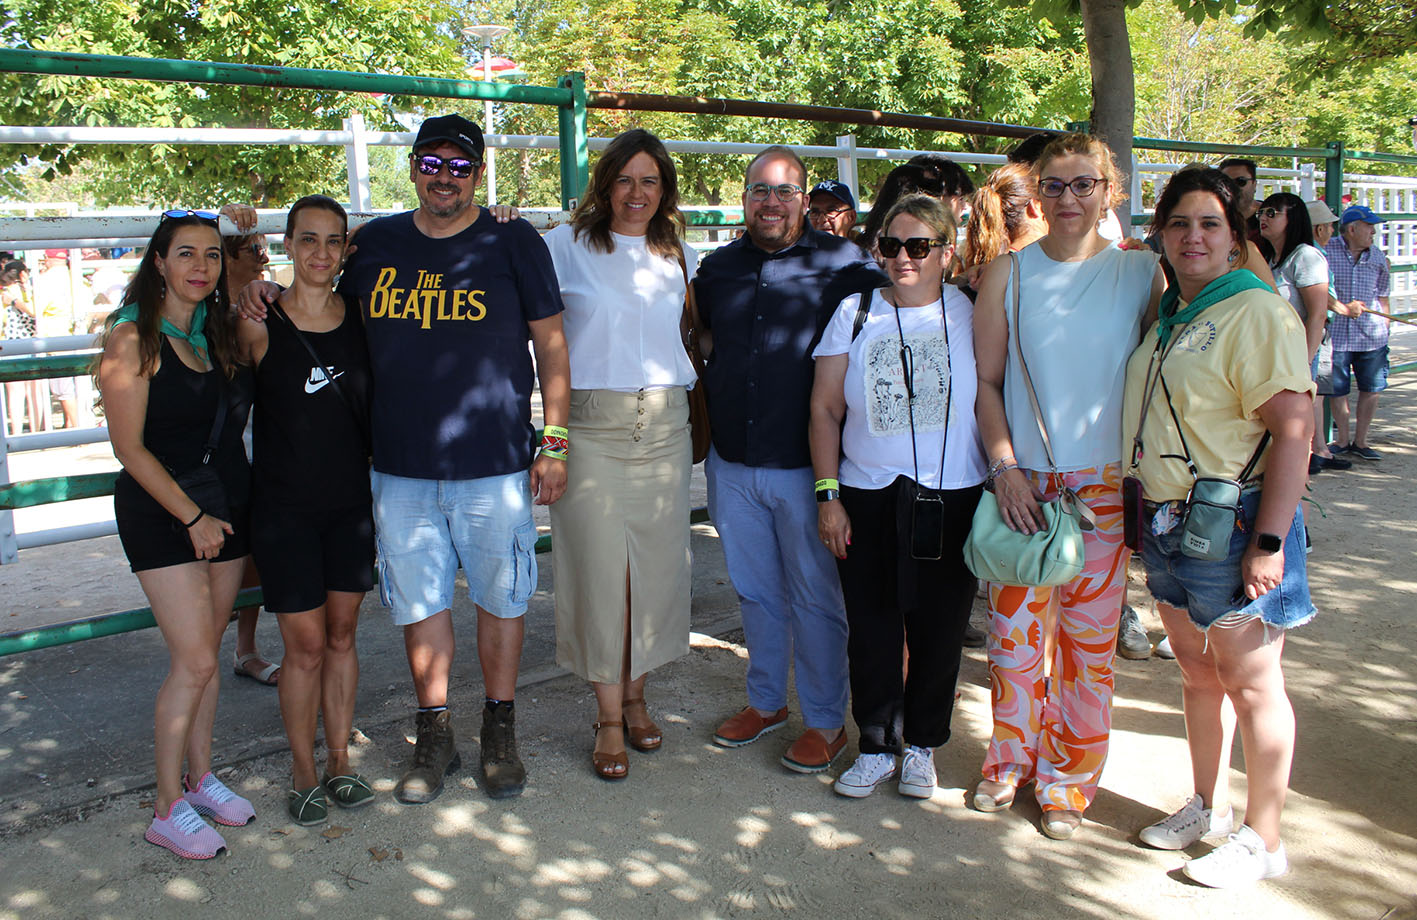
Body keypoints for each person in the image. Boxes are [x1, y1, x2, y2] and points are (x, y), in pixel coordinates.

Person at [241, 114, 569, 802]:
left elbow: (551, 343)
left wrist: (555, 439)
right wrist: (260, 286)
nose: (443, 176)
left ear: (478, 173)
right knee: (419, 606)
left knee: (502, 600)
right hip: (398, 467)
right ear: (413, 166)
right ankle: (436, 735)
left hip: (494, 462)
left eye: (459, 165)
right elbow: (315, 281)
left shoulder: (512, 239)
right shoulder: (376, 244)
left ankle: (500, 731)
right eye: (431, 162)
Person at [1123, 165, 1315, 888]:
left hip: (1234, 522)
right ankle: (1207, 804)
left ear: (1235, 239)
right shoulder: (1176, 312)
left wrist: (1267, 542)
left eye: (1209, 224)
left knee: (1254, 682)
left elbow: (1293, 433)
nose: (1192, 236)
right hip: (1170, 521)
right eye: (1178, 224)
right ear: (1160, 237)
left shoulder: (1254, 311)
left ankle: (1264, 840)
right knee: (1198, 676)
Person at [971, 133, 1163, 840]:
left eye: (1083, 184)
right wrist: (1005, 467)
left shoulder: (1140, 274)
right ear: (1036, 191)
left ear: (1107, 191)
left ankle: (1067, 781)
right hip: (1023, 483)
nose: (1068, 198)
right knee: (1014, 641)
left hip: (1104, 487)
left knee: (1087, 649)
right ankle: (1006, 763)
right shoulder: (1007, 273)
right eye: (1054, 184)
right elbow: (987, 385)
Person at [695, 145, 884, 774]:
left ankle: (827, 723)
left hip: (808, 469)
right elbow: (701, 341)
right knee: (755, 592)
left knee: (815, 597)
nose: (770, 202)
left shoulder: (847, 265)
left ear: (804, 199)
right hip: (732, 464)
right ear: (744, 198)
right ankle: (767, 702)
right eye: (758, 191)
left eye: (784, 191)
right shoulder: (717, 268)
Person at [809, 194, 986, 799]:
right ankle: (877, 743)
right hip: (867, 493)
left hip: (952, 494)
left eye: (919, 246)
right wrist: (828, 494)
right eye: (891, 245)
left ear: (945, 252)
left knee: (939, 629)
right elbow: (825, 409)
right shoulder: (854, 312)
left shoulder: (971, 310)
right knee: (873, 627)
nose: (903, 258)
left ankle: (924, 745)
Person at [96, 210, 257, 859]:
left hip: (224, 508)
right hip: (166, 515)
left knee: (208, 656)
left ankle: (200, 778)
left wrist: (248, 247)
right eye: (185, 253)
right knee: (192, 661)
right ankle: (166, 807)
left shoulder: (215, 332)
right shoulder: (132, 337)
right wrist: (192, 518)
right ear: (158, 261)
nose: (200, 266)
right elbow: (129, 449)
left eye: (212, 256)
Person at [542, 129, 696, 781]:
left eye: (650, 181)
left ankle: (637, 698)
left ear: (664, 191)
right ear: (604, 184)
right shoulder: (563, 245)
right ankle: (607, 717)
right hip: (593, 426)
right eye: (625, 179)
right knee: (601, 575)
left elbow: (689, 330)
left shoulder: (677, 250)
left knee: (654, 574)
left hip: (665, 426)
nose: (636, 193)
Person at [236, 195, 376, 824]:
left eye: (333, 241)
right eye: (308, 240)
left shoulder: (366, 318)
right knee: (306, 646)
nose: (321, 253)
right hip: (284, 510)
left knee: (343, 637)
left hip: (350, 506)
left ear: (347, 249)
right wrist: (248, 284)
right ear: (288, 245)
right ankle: (302, 768)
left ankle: (341, 760)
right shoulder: (258, 322)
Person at [222, 213, 283, 687]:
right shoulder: (199, 310)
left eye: (263, 245)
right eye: (251, 248)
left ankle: (246, 648)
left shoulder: (271, 302)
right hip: (219, 447)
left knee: (257, 546)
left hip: (259, 440)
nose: (264, 255)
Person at [1256, 193, 1351, 474]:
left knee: (1294, 439)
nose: (1263, 218)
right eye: (1262, 212)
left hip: (1297, 356)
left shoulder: (1306, 257)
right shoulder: (1269, 259)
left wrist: (1305, 362)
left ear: (1293, 218)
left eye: (1273, 213)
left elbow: (1318, 314)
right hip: (1273, 355)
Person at [1324, 205, 1391, 461]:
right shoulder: (1327, 251)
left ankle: (1361, 441)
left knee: (1371, 387)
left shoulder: (1378, 258)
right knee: (1337, 389)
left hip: (1372, 336)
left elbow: (1383, 295)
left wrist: (1386, 327)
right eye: (1369, 226)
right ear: (1351, 229)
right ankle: (1342, 439)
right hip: (1338, 334)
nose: (1373, 232)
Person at [34, 248, 79, 429]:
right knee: (70, 384)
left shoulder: (45, 279)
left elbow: (34, 309)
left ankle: (75, 427)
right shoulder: (74, 275)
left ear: (47, 258)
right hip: (72, 333)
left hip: (53, 335)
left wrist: (14, 301)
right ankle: (71, 425)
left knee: (62, 388)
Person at [2, 260, 47, 436]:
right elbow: (35, 313)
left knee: (17, 392)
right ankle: (36, 431)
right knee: (32, 390)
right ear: (23, 273)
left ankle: (17, 433)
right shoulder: (29, 292)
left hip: (11, 343)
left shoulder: (7, 293)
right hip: (30, 342)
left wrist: (13, 301)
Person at [1218, 158, 1260, 223]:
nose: (1233, 187)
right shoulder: (1211, 217)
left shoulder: (1270, 215)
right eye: (1226, 182)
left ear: (1254, 184)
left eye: (1240, 181)